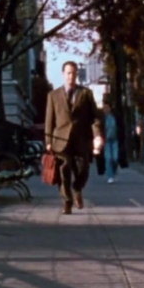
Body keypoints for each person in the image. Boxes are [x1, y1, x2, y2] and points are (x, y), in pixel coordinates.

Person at [44, 61, 104, 214]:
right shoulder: (53, 95)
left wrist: (97, 135)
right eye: (68, 73)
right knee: (63, 171)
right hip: (60, 141)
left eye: (74, 73)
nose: (71, 76)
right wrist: (48, 141)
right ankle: (67, 202)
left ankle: (77, 188)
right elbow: (49, 120)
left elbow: (94, 118)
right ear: (63, 74)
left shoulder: (85, 93)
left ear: (77, 74)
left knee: (83, 170)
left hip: (81, 139)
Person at [103, 103, 120, 183]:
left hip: (114, 139)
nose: (106, 109)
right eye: (104, 108)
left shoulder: (114, 117)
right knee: (108, 158)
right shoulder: (102, 119)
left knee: (115, 158)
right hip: (106, 141)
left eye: (107, 107)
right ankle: (110, 176)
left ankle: (114, 171)